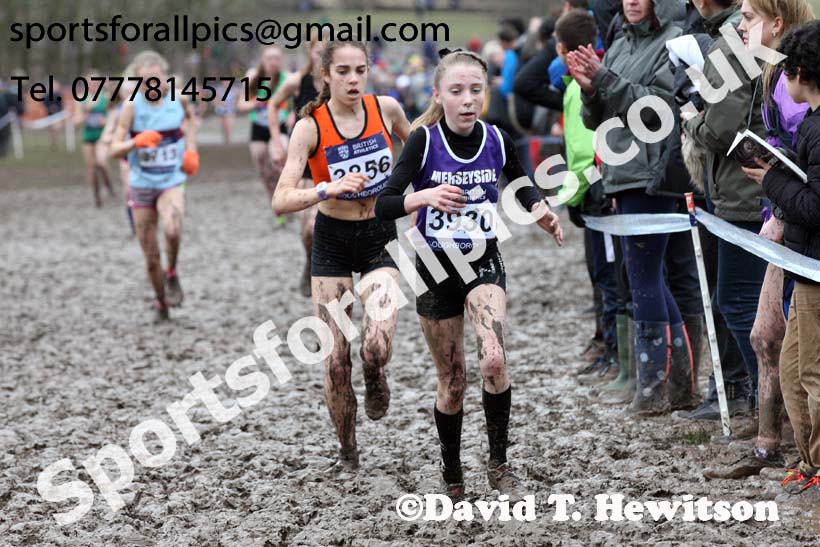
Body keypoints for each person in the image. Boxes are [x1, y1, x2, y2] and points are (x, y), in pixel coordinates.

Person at [375, 48, 563, 498]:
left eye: (475, 90)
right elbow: (385, 203)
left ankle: (499, 463)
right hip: (435, 268)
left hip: (483, 261)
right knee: (453, 380)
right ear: (438, 94)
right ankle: (452, 468)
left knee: (494, 359)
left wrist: (541, 211)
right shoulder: (423, 140)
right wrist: (425, 198)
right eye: (456, 91)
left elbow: (520, 184)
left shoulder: (497, 139)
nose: (467, 100)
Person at [271, 41, 411, 473]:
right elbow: (280, 199)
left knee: (376, 344)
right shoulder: (310, 127)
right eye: (343, 72)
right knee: (334, 362)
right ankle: (348, 452)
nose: (353, 79)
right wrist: (324, 189)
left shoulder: (386, 109)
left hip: (378, 237)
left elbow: (423, 145)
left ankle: (375, 373)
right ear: (326, 76)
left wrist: (418, 191)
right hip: (331, 239)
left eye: (360, 70)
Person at [704, 0, 814, 480]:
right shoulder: (772, 78)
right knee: (767, 334)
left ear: (777, 23)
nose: (740, 26)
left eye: (748, 17)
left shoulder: (797, 89)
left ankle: (788, 447)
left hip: (800, 228)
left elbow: (802, 167)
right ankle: (773, 444)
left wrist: (779, 208)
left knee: (783, 341)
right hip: (782, 219)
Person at [572, 0, 695, 414]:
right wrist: (590, 89)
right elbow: (598, 119)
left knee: (644, 277)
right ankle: (676, 384)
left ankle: (653, 388)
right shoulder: (621, 42)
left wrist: (603, 76)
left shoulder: (674, 42)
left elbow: (657, 110)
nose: (632, 1)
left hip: (654, 172)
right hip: (620, 174)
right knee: (646, 276)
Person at [758, 20, 820, 495]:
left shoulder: (819, 130)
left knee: (814, 372)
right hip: (805, 266)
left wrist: (768, 180)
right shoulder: (812, 125)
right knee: (795, 366)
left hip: (816, 267)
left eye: (786, 71)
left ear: (801, 71)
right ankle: (808, 459)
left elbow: (815, 207)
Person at [110, 51, 199, 320]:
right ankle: (161, 301)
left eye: (156, 79)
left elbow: (191, 122)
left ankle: (171, 272)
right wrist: (135, 142)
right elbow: (114, 148)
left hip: (171, 180)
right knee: (150, 257)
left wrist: (191, 150)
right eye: (145, 80)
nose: (152, 85)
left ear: (165, 78)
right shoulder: (131, 107)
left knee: (172, 229)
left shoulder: (178, 100)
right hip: (141, 185)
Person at [268, 34, 327, 297]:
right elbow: (271, 104)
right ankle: (309, 261)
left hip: (332, 163)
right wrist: (276, 142)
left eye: (328, 53)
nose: (322, 58)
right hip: (304, 163)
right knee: (308, 230)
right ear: (310, 52)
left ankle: (324, 268)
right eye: (318, 52)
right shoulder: (297, 82)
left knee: (320, 225)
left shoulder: (339, 83)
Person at [236, 46, 290, 226]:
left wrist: (291, 116)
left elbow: (296, 103)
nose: (273, 62)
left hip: (279, 126)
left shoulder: (287, 78)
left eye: (277, 58)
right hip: (259, 127)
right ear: (262, 60)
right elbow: (241, 105)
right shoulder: (253, 78)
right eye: (269, 58)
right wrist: (255, 104)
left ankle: (286, 198)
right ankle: (275, 206)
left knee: (279, 160)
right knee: (263, 169)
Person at [76, 70, 115, 208]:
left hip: (102, 137)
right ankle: (96, 195)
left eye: (96, 82)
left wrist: (105, 121)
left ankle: (108, 184)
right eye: (90, 82)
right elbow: (76, 121)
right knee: (91, 168)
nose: (93, 85)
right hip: (87, 137)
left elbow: (113, 116)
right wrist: (84, 114)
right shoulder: (81, 99)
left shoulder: (106, 97)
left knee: (101, 163)